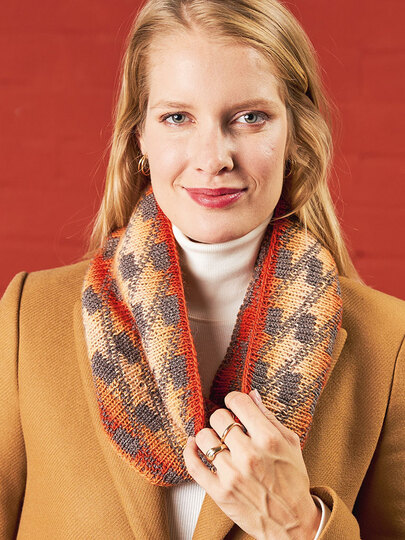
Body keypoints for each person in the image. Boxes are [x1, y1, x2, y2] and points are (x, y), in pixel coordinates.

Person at [1, 0, 404, 538]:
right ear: (140, 137)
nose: (213, 157)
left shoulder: (389, 346)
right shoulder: (29, 320)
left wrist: (300, 526)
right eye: (177, 118)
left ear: (295, 137)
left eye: (250, 117)